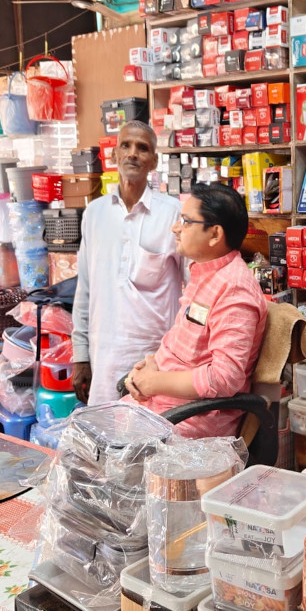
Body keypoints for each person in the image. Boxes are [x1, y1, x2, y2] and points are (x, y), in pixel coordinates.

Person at [122, 182, 268, 439]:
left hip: (188, 421)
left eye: (186, 221)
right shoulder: (206, 273)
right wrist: (150, 367)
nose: (175, 228)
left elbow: (224, 378)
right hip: (164, 407)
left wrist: (154, 382)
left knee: (97, 452)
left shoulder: (234, 289)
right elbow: (186, 350)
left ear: (214, 234)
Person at [71, 121, 184, 406]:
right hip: (103, 354)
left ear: (154, 161)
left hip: (155, 357)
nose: (133, 154)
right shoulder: (94, 213)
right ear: (114, 156)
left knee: (150, 439)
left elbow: (194, 289)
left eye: (142, 148)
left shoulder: (173, 213)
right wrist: (81, 355)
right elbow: (84, 289)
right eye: (126, 146)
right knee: (107, 437)